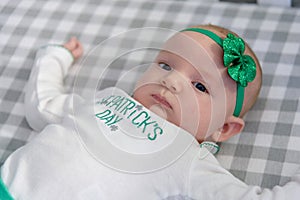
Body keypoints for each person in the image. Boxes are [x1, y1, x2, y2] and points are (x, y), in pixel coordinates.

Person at [0, 24, 299, 200]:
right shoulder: (107, 98)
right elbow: (43, 105)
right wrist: (55, 57)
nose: (171, 80)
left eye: (199, 86)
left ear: (223, 129)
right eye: (166, 65)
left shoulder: (186, 155)